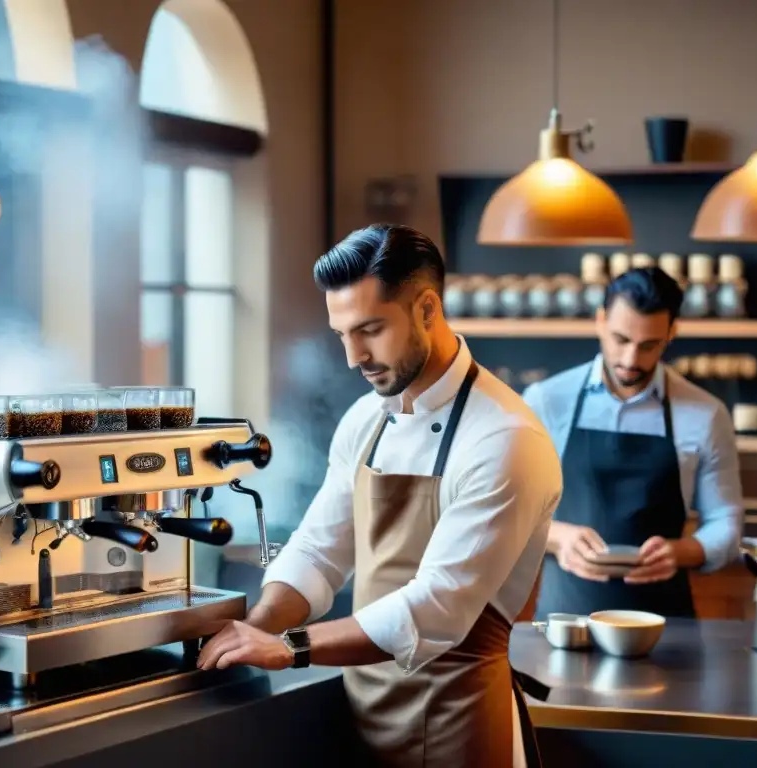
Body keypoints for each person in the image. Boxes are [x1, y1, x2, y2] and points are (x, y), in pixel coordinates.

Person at [198, 224, 562, 768]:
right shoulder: (366, 418)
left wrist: (292, 646)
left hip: (459, 723)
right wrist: (260, 622)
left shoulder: (505, 438)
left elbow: (438, 606)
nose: (353, 356)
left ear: (427, 308)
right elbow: (320, 551)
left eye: (370, 329)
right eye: (342, 332)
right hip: (362, 713)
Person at [525, 267, 745, 620]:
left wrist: (682, 552)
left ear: (672, 333)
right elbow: (507, 510)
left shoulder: (705, 414)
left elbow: (726, 523)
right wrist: (557, 538)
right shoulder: (547, 401)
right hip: (565, 623)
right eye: (620, 339)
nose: (630, 360)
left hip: (667, 630)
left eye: (648, 345)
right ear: (600, 321)